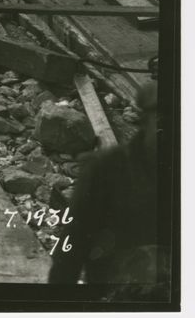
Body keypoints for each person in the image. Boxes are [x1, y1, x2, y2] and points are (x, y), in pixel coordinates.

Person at [48, 82, 167, 298]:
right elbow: (72, 247)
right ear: (147, 121)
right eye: (162, 121)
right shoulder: (107, 169)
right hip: (119, 294)